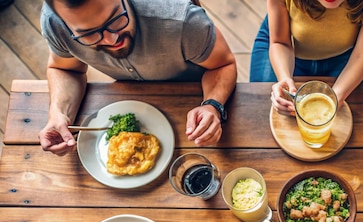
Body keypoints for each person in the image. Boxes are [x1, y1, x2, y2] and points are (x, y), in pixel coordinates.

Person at [39, 0, 237, 156]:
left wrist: (212, 105)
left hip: (194, 105)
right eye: (88, 34)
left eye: (115, 19)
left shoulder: (182, 20)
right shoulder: (54, 23)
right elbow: (67, 69)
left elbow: (223, 64)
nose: (111, 40)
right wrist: (59, 113)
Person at [250, 0, 363, 115]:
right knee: (259, 111)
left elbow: (362, 54)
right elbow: (280, 42)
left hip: (353, 54)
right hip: (285, 44)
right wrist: (284, 78)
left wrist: (335, 99)